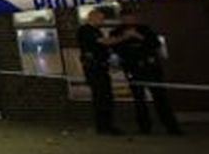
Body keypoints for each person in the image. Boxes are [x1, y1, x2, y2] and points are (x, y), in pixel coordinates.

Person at [111, 9, 182, 135]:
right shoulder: (116, 32)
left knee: (160, 97)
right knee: (139, 99)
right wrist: (124, 38)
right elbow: (114, 47)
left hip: (150, 68)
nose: (129, 20)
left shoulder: (145, 29)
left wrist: (139, 36)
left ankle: (171, 127)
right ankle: (145, 128)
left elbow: (155, 44)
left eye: (131, 18)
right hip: (133, 69)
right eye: (125, 18)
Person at [76, 8, 134, 136]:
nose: (102, 21)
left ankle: (107, 125)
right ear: (92, 17)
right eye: (100, 18)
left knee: (106, 97)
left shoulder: (97, 31)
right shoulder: (85, 30)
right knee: (101, 97)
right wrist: (125, 37)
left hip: (101, 68)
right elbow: (105, 42)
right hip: (94, 69)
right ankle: (103, 127)